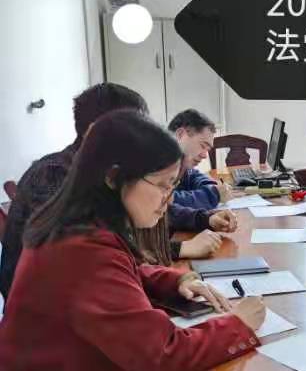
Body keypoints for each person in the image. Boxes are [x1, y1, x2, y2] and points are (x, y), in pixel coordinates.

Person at [0, 110, 266, 371]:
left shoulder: (77, 225)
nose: (168, 199)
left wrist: (175, 280)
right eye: (161, 185)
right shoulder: (82, 251)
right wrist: (240, 325)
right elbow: (161, 354)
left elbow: (125, 270)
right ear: (113, 177)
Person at [0, 84, 236, 300]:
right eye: (136, 128)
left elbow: (149, 209)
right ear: (96, 131)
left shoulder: (105, 173)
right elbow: (91, 259)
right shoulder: (54, 176)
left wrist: (204, 218)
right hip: (53, 310)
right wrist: (180, 248)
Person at [167, 109, 233, 210]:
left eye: (207, 149)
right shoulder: (156, 162)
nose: (205, 155)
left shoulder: (181, 164)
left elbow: (193, 176)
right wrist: (213, 194)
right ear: (180, 135)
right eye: (202, 146)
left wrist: (213, 187)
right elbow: (167, 201)